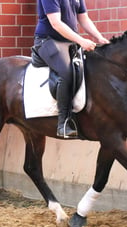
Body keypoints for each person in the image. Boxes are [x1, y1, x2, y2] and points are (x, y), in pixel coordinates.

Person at [33, 0, 109, 138]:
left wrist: (99, 37)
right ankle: (63, 123)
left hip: (69, 42)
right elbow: (56, 23)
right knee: (66, 72)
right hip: (47, 41)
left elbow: (84, 18)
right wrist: (81, 40)